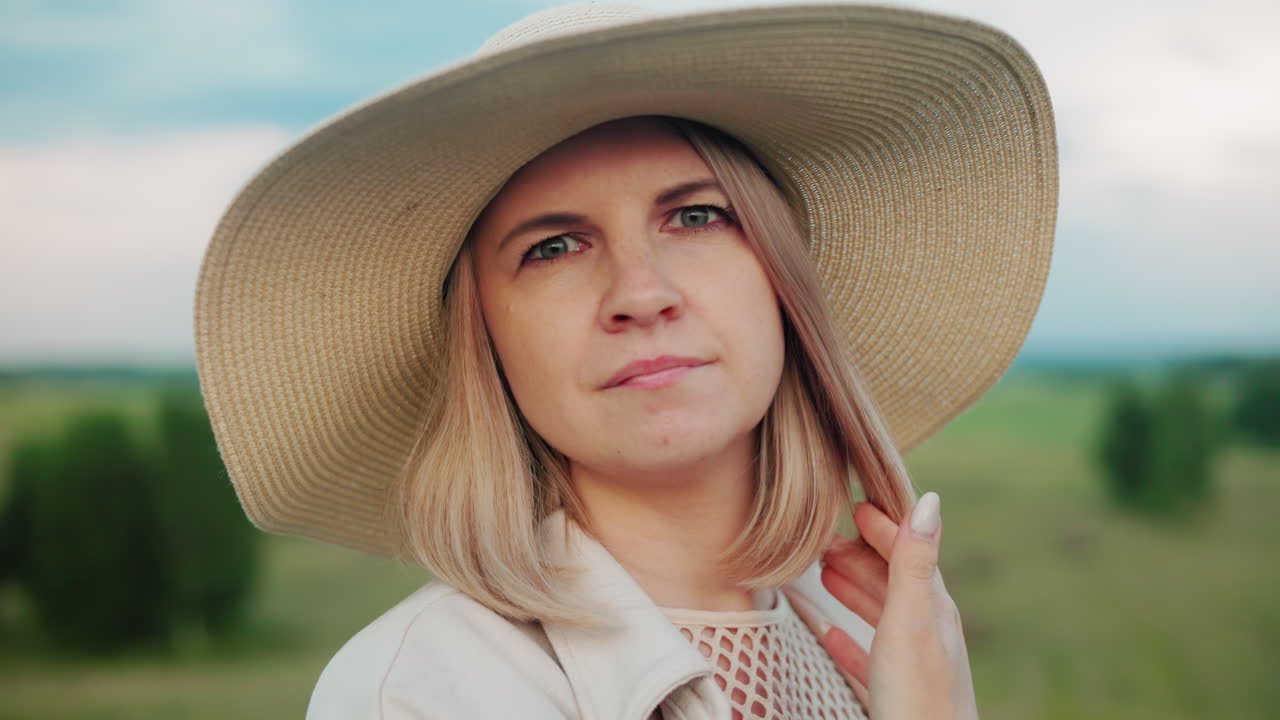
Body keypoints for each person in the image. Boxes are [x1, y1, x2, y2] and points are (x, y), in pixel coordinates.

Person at [193, 3, 1056, 719]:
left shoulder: (874, 642)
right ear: (485, 339)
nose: (641, 293)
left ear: (782, 281)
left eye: (697, 217)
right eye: (556, 245)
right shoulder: (422, 693)